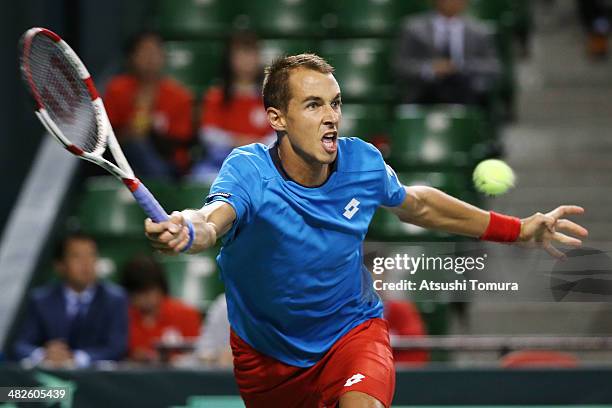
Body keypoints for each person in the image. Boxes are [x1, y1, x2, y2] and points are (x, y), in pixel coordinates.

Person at [144, 54, 588, 407]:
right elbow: (213, 218)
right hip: (267, 360)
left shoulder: (362, 162)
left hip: (351, 333)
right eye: (313, 105)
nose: (331, 116)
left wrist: (519, 229)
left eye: (335, 103)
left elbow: (419, 205)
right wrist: (188, 230)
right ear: (277, 118)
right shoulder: (248, 171)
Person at [13, 232, 128, 368]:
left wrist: (76, 359)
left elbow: (116, 348)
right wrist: (43, 354)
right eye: (77, 256)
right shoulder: (41, 299)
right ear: (60, 265)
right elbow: (20, 345)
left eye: (91, 255)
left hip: (96, 381)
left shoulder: (115, 299)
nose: (86, 263)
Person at [104, 31, 194, 178]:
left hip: (167, 164)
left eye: (155, 52)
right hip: (122, 160)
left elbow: (181, 141)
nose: (150, 59)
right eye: (144, 52)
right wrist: (131, 132)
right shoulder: (117, 89)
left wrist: (151, 130)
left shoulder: (179, 95)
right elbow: (107, 137)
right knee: (135, 146)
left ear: (163, 57)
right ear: (132, 57)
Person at [192, 31, 274, 180]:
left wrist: (256, 144)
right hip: (221, 162)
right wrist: (236, 141)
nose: (246, 60)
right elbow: (208, 133)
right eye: (240, 54)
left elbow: (278, 133)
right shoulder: (216, 95)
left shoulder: (270, 96)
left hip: (262, 160)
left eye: (250, 54)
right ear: (229, 59)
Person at [393, 0, 501, 107]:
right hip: (425, 93)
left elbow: (493, 67)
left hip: (465, 92)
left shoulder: (479, 31)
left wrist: (460, 66)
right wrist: (430, 69)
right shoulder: (413, 29)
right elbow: (401, 65)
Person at [120, 255, 201, 363]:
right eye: (138, 293)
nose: (144, 299)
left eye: (149, 291)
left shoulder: (186, 314)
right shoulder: (122, 316)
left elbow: (197, 355)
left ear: (161, 287)